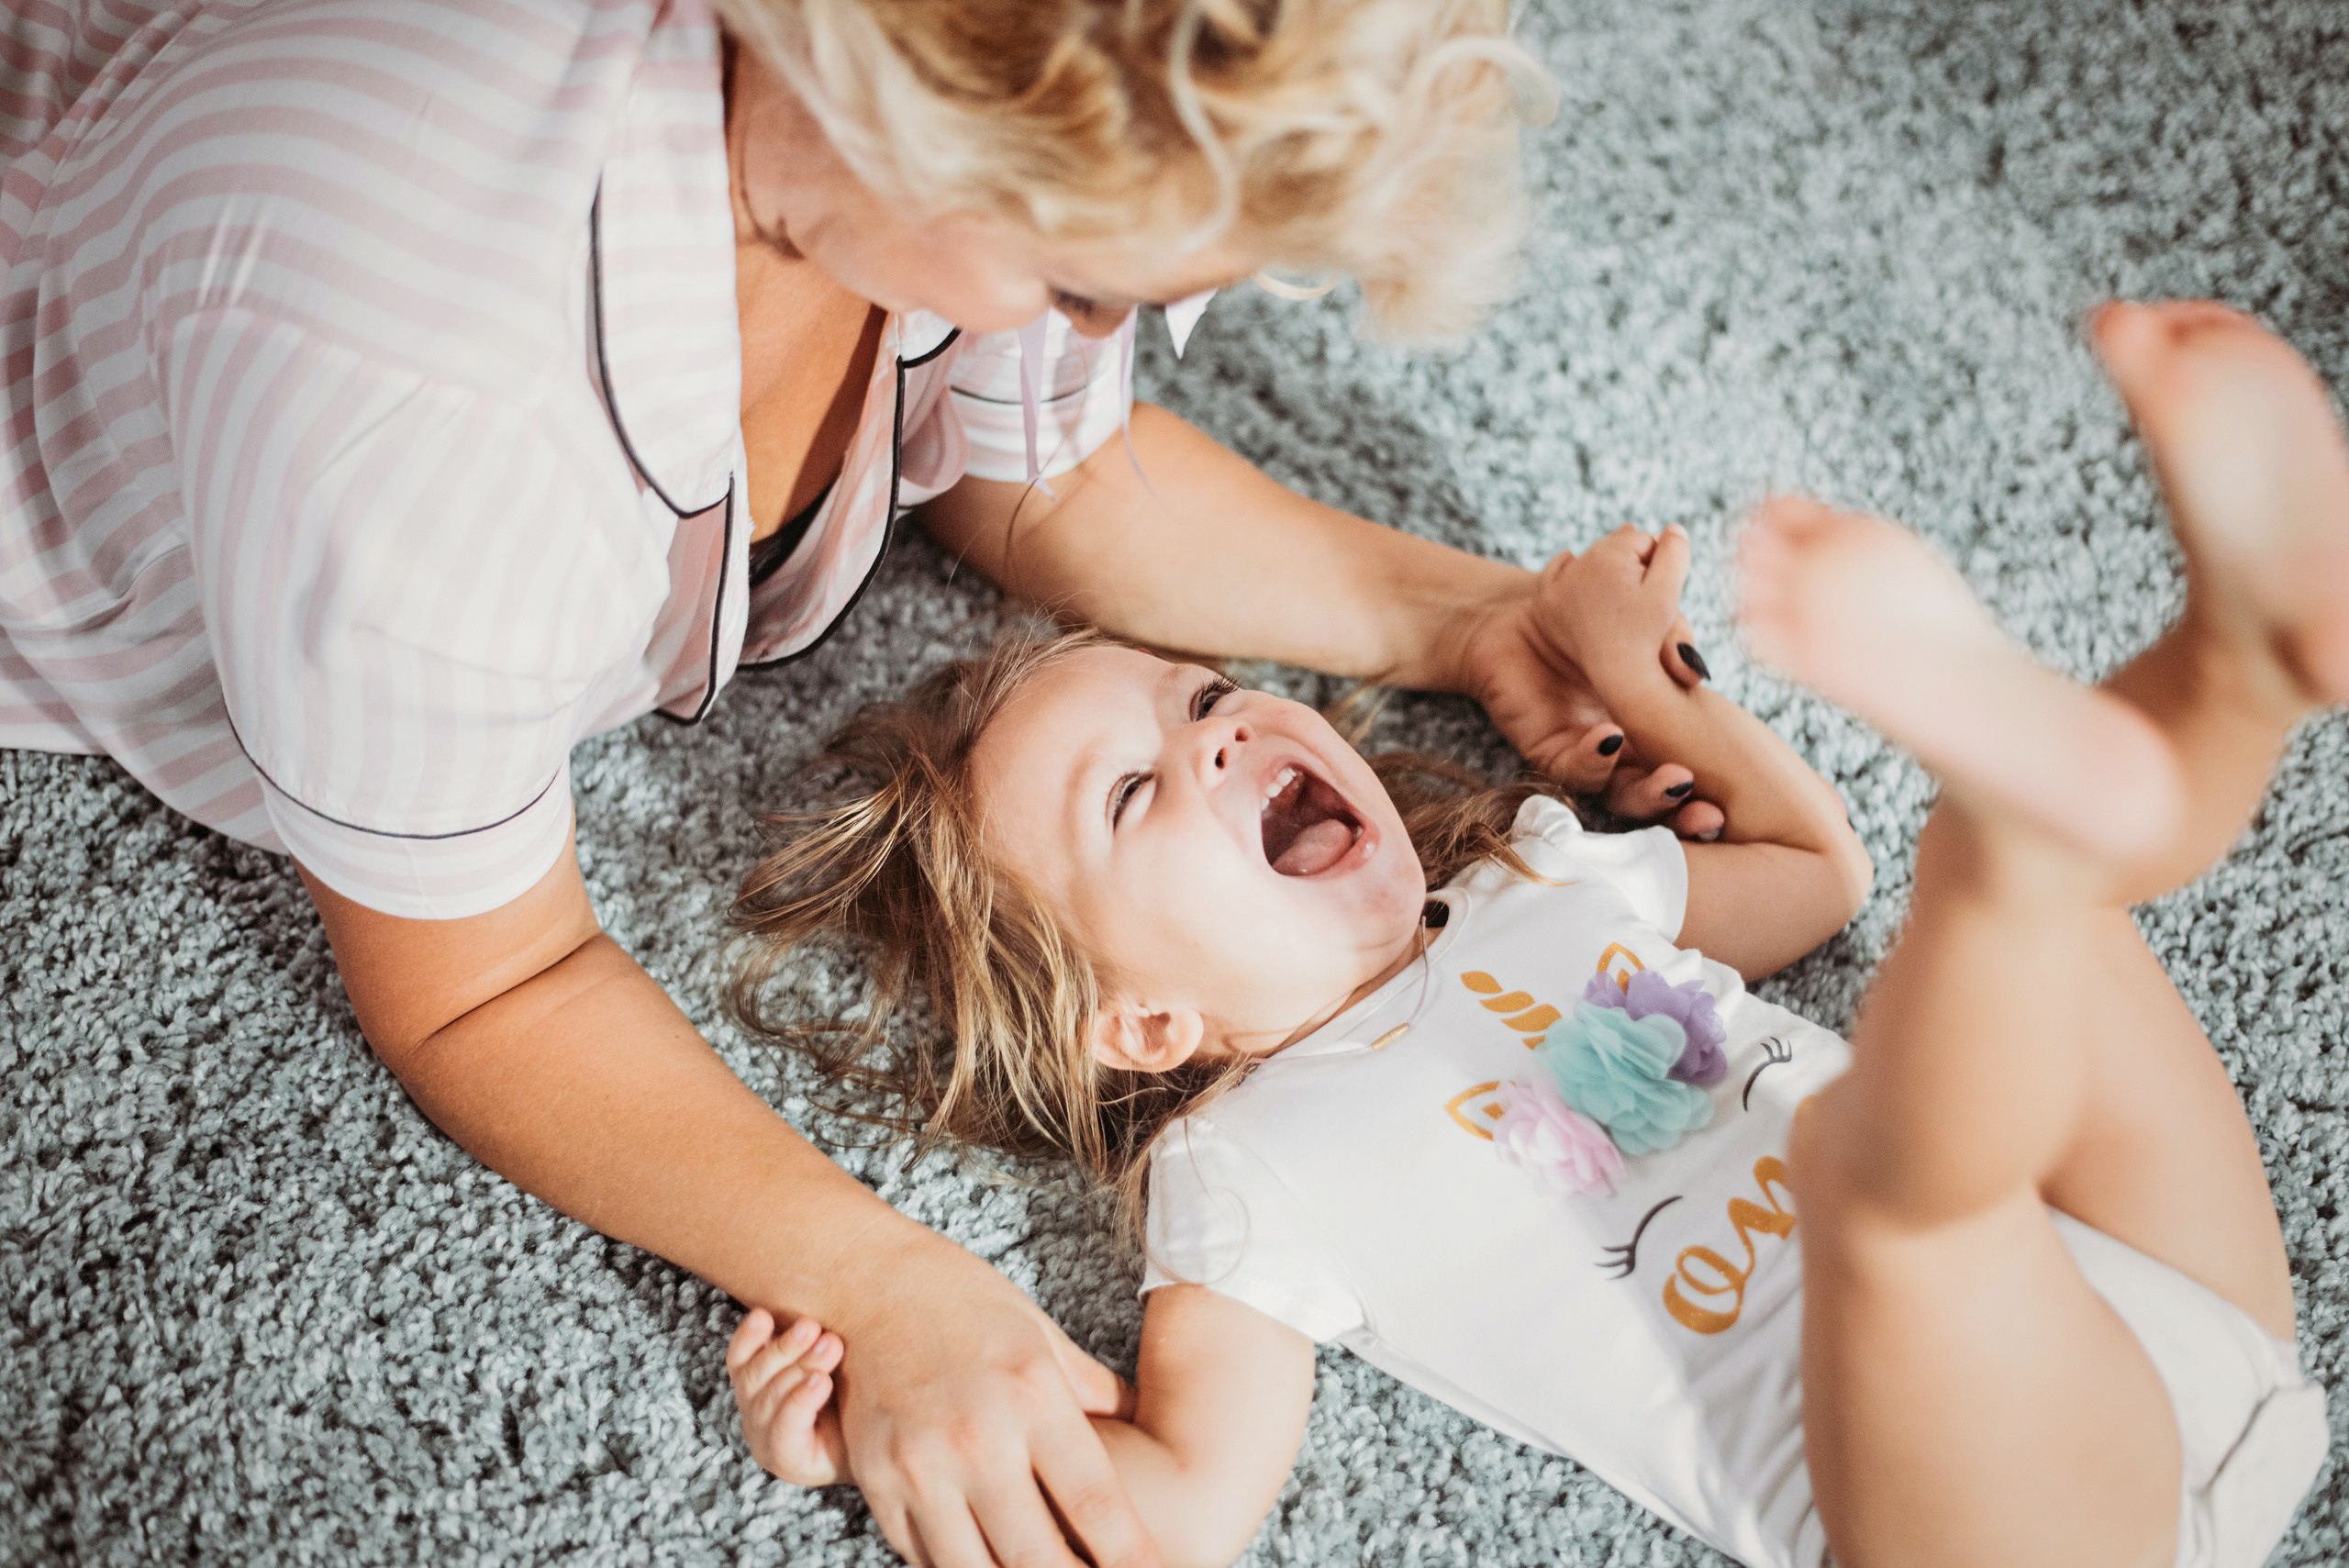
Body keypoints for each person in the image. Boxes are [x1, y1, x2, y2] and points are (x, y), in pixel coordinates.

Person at [0, 3, 1733, 1562]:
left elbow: (1036, 476)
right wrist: (883, 1276)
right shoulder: (422, 413)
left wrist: (1468, 617)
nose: (1125, 325)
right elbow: (487, 984)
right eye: (1100, 288)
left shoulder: (919, 143)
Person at [724, 301, 2346, 1568]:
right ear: (1140, 1025)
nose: (1216, 733)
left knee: (1996, 889)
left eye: (1207, 695)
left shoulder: (1535, 874)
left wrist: (1642, 686)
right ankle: (2034, 819)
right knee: (1892, 1177)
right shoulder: (1248, 1174)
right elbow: (1173, 1514)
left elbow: (1811, 872)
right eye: (1139, 792)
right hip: (1999, 1514)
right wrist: (864, 1422)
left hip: (2194, 1315)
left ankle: (2233, 669)